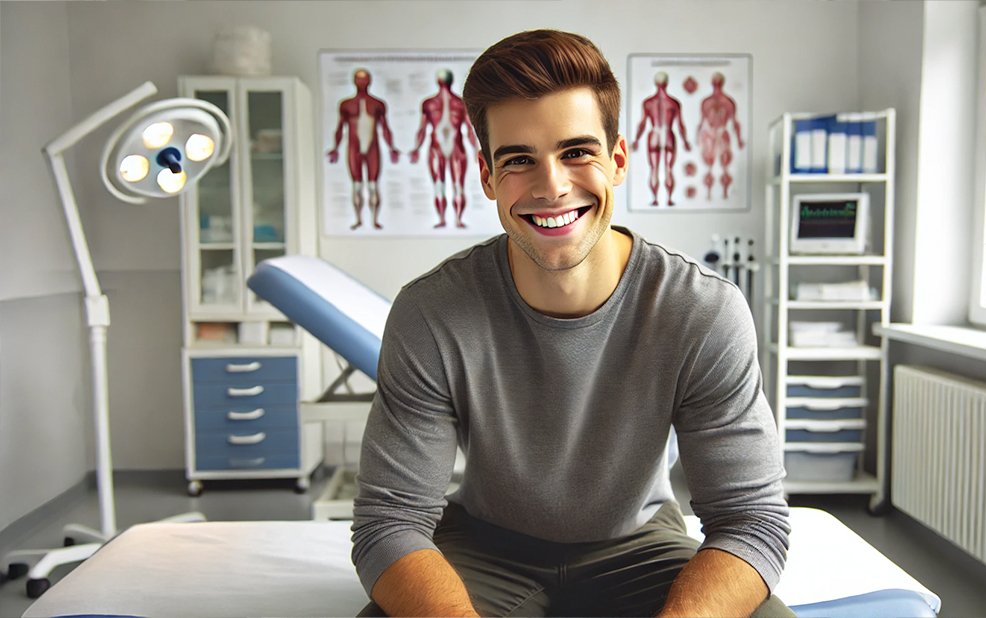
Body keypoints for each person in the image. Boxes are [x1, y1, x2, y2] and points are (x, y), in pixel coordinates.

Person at [352, 29, 791, 618]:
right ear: (486, 177)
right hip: (481, 547)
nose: (552, 185)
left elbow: (752, 520)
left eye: (577, 152)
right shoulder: (432, 314)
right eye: (518, 160)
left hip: (640, 545)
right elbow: (390, 522)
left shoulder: (702, 312)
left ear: (618, 160)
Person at [327, 68, 401, 230]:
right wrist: (335, 148)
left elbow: (385, 128)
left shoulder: (378, 104)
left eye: (365, 78)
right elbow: (340, 128)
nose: (362, 82)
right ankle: (359, 219)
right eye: (359, 78)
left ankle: (374, 219)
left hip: (372, 148)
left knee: (373, 185)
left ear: (370, 81)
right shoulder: (346, 105)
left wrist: (391, 147)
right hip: (354, 148)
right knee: (357, 185)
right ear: (354, 81)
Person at [409, 69, 480, 229]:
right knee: (453, 186)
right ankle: (453, 219)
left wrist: (416, 149)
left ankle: (449, 219)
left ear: (438, 81)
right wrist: (475, 149)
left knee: (446, 187)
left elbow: (422, 130)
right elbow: (469, 129)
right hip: (448, 148)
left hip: (445, 148)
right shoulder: (457, 103)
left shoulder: (434, 103)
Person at [631, 71, 691, 207]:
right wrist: (685, 141)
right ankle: (669, 199)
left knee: (654, 169)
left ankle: (655, 199)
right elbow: (680, 125)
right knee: (669, 169)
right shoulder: (674, 103)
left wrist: (636, 140)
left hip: (654, 135)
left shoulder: (648, 103)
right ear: (667, 83)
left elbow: (642, 124)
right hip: (668, 135)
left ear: (656, 83)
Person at [697, 71, 745, 201]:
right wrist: (698, 138)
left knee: (724, 166)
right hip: (710, 134)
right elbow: (701, 122)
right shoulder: (707, 102)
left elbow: (735, 122)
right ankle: (709, 193)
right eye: (715, 82)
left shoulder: (728, 102)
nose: (716, 85)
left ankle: (724, 193)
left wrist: (739, 139)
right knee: (709, 165)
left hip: (722, 133)